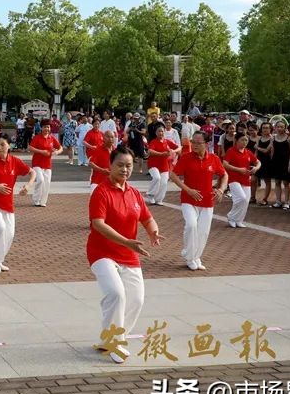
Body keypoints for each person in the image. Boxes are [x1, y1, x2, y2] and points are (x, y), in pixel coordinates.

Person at [88, 147, 163, 364]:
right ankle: (114, 342)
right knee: (116, 294)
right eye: (120, 165)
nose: (124, 169)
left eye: (128, 165)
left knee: (136, 299)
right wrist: (126, 241)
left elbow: (147, 218)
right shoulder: (101, 192)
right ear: (110, 166)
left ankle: (112, 336)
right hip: (102, 252)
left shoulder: (134, 193)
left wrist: (153, 231)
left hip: (129, 253)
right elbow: (98, 224)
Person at [0, 133, 35, 274]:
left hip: (8, 204)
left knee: (10, 234)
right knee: (1, 228)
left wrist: (28, 186)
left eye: (3, 144)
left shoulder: (15, 161)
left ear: (9, 145)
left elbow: (32, 173)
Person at [168, 132, 227, 271]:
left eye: (198, 143)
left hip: (207, 201)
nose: (194, 145)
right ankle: (189, 256)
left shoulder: (213, 158)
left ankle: (195, 256)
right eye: (192, 142)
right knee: (191, 225)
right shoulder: (186, 157)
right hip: (188, 199)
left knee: (203, 231)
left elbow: (224, 174)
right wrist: (187, 189)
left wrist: (221, 189)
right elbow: (173, 174)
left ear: (207, 144)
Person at [223, 133, 260, 229]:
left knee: (246, 200)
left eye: (246, 140)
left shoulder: (248, 152)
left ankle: (239, 220)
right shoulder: (231, 151)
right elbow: (225, 164)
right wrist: (238, 169)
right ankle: (231, 216)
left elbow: (258, 162)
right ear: (236, 140)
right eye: (242, 140)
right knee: (241, 198)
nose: (244, 142)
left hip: (246, 179)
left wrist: (256, 168)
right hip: (234, 178)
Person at [28, 122, 62, 207]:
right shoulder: (37, 138)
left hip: (47, 164)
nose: (47, 129)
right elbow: (30, 147)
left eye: (48, 127)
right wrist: (41, 151)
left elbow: (60, 147)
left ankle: (43, 201)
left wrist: (57, 152)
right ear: (41, 128)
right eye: (45, 127)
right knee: (40, 180)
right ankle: (36, 200)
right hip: (37, 163)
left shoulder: (52, 138)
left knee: (47, 183)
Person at [145, 125, 180, 205]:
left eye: (162, 131)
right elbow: (150, 151)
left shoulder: (167, 141)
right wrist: (161, 154)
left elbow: (179, 147)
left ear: (164, 132)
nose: (161, 133)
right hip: (153, 165)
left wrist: (174, 151)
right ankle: (150, 194)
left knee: (164, 183)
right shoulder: (153, 141)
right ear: (156, 133)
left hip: (164, 165)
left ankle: (158, 199)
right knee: (157, 178)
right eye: (159, 131)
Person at [268, 120, 290, 208]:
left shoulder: (288, 138)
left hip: (285, 162)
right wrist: (271, 161)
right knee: (277, 182)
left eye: (282, 127)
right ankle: (278, 201)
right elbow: (272, 150)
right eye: (278, 126)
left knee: (286, 183)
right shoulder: (273, 138)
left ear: (285, 128)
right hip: (276, 162)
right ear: (275, 127)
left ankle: (287, 202)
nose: (279, 128)